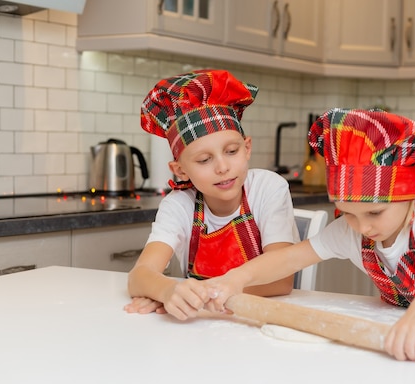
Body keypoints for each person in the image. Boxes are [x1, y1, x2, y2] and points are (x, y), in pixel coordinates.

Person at [195, 108, 415, 361]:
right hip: (413, 331)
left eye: (374, 213)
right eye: (348, 214)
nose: (363, 228)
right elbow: (288, 259)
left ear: (409, 197)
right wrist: (233, 280)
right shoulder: (353, 228)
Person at [124, 69, 300, 319]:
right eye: (204, 159)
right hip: (202, 326)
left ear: (247, 148)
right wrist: (168, 291)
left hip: (261, 320)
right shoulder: (179, 204)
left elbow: (281, 280)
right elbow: (138, 276)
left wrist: (203, 294)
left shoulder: (268, 188)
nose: (222, 167)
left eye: (231, 151)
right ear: (180, 170)